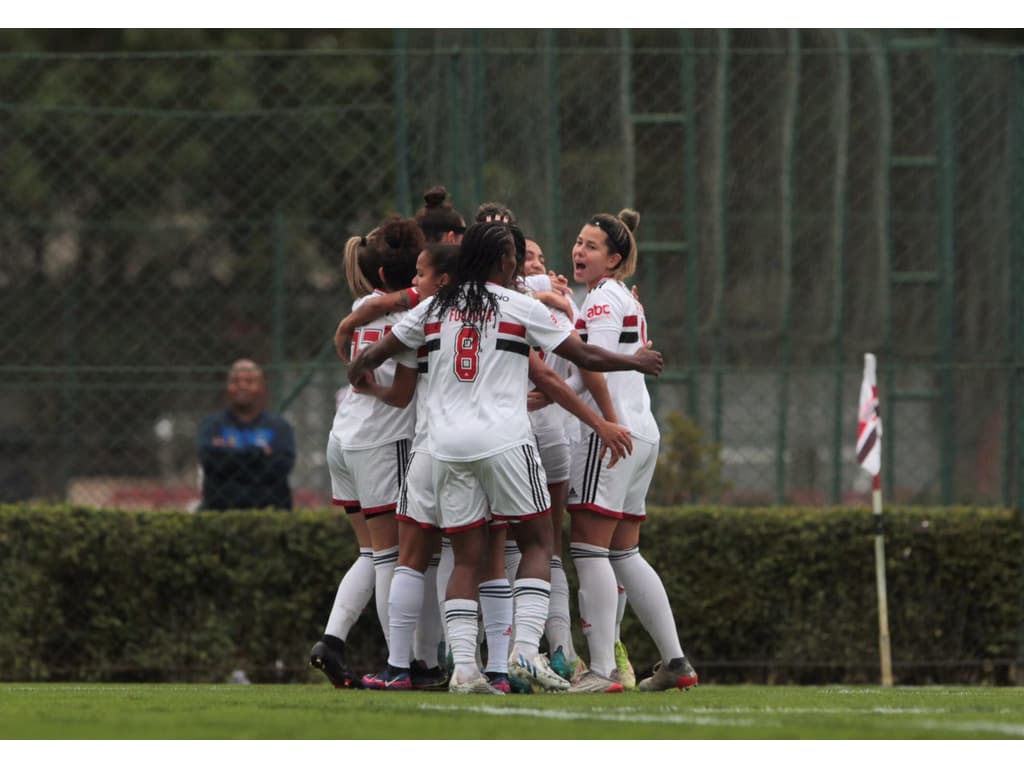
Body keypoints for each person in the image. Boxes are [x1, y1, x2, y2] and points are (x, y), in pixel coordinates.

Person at [347, 220, 663, 694]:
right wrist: (634, 360)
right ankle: (522, 652)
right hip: (505, 442)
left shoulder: (434, 307)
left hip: (445, 448)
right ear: (503, 262)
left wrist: (358, 369)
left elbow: (382, 350)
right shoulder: (517, 306)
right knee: (538, 543)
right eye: (512, 258)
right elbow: (582, 355)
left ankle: (466, 671)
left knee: (466, 557)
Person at [567, 209, 699, 693]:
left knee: (587, 548)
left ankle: (603, 671)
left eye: (592, 246)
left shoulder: (602, 299)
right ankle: (676, 661)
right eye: (579, 242)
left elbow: (591, 364)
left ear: (615, 258)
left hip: (617, 433)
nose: (580, 251)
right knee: (626, 554)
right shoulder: (619, 297)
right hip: (642, 431)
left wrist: (604, 422)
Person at [197, 359, 295, 511]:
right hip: (219, 513)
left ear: (262, 387)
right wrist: (259, 453)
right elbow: (209, 461)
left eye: (249, 381)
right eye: (235, 381)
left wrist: (228, 455)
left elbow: (281, 468)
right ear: (227, 387)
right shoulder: (211, 424)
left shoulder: (280, 427)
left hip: (270, 513)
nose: (242, 386)